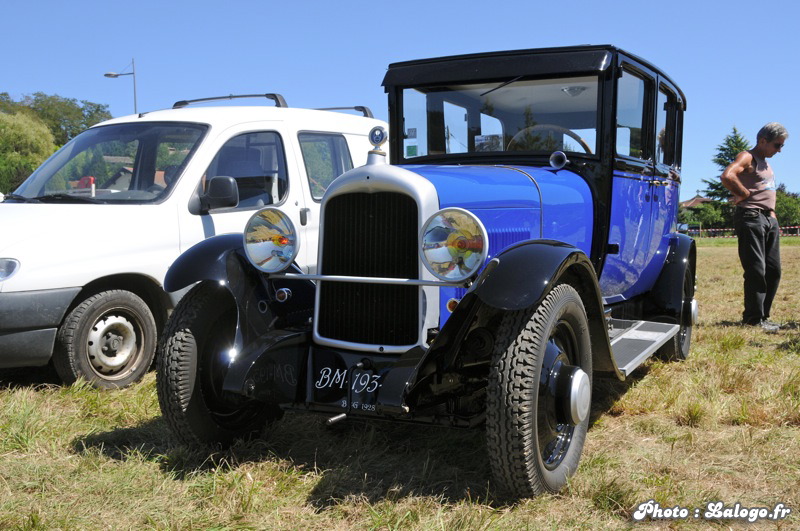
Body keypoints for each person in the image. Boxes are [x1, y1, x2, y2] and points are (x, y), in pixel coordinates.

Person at [721, 122, 789, 331]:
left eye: (782, 146)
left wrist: (773, 216)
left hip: (768, 219)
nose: (779, 150)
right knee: (756, 270)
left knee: (773, 271)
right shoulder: (747, 157)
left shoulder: (766, 163)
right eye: (777, 145)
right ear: (763, 141)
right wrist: (743, 194)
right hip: (751, 217)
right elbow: (727, 175)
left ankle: (763, 317)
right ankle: (753, 319)